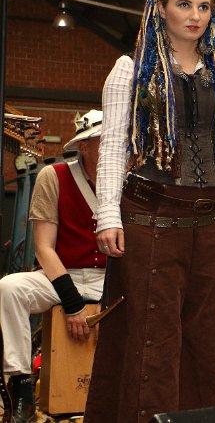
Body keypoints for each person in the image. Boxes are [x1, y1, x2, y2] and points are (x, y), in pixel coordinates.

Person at [85, 0, 215, 422]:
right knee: (153, 337)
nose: (195, 15)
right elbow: (113, 148)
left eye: (203, 6)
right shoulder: (130, 69)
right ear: (161, 9)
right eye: (184, 4)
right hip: (150, 217)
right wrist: (108, 214)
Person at [0, 110, 106, 423]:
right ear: (84, 147)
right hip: (61, 274)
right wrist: (73, 304)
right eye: (103, 141)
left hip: (108, 278)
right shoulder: (54, 176)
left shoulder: (126, 183)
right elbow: (44, 248)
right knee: (9, 289)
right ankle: (21, 387)